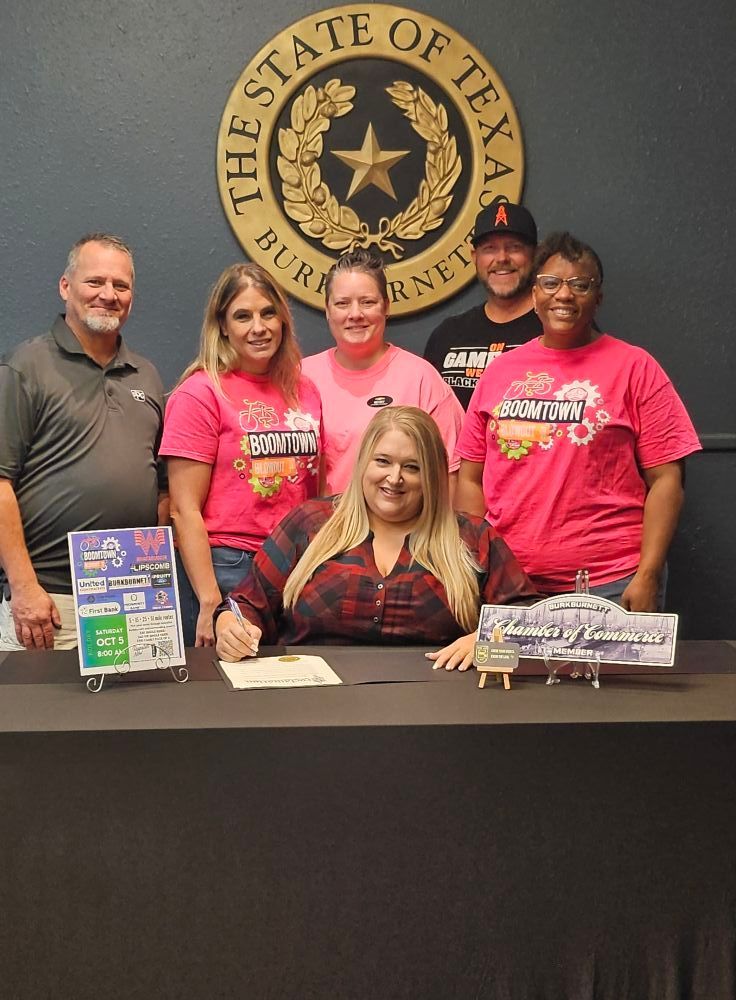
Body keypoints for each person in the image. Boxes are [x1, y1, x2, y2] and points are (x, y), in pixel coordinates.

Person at [454, 231, 702, 611]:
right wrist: (475, 567)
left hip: (611, 583)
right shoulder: (500, 373)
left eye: (579, 285)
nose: (564, 295)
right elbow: (470, 477)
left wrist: (648, 573)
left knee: (612, 675)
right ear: (534, 295)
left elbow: (667, 479)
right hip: (509, 584)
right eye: (550, 283)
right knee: (515, 675)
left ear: (597, 297)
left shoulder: (636, 368)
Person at [214, 406, 539, 671]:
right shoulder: (311, 523)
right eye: (383, 461)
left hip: (436, 711)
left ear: (433, 476)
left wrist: (487, 637)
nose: (394, 478)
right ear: (363, 463)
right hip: (310, 705)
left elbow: (531, 620)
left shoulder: (471, 536)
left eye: (412, 467)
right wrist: (230, 626)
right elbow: (245, 605)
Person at [0, 233, 166, 651]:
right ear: (66, 287)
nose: (108, 295)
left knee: (135, 718)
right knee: (36, 718)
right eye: (95, 282)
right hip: (49, 605)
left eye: (120, 286)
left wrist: (155, 580)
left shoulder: (146, 375)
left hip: (134, 601)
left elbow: (161, 486)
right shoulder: (26, 367)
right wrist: (24, 588)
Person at [159, 263, 322, 647]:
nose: (258, 327)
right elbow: (184, 510)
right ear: (223, 326)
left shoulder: (304, 389)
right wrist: (209, 601)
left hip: (299, 564)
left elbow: (315, 487)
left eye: (268, 313)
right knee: (228, 697)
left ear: (283, 319)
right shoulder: (200, 393)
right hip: (231, 565)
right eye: (242, 316)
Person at [302, 249, 464, 493]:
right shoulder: (301, 377)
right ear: (327, 310)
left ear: (386, 306)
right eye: (342, 303)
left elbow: (452, 474)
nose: (355, 314)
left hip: (404, 529)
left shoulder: (421, 379)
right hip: (319, 528)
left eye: (367, 302)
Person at [423, 201, 541, 409]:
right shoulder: (447, 336)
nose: (502, 258)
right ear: (474, 256)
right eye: (490, 249)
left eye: (514, 247)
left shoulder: (558, 331)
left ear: (535, 255)